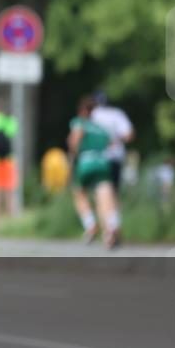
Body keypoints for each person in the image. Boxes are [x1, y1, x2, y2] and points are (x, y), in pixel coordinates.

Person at [68, 96, 120, 248]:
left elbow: (75, 139)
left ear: (82, 111)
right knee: (105, 196)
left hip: (86, 162)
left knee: (79, 192)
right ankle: (110, 227)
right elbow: (111, 143)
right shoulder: (100, 128)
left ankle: (90, 224)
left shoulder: (79, 122)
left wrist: (74, 154)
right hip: (103, 163)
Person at [90, 90, 135, 194]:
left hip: (97, 158)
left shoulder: (92, 114)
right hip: (115, 157)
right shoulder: (117, 113)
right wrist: (116, 141)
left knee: (99, 192)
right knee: (114, 192)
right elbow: (129, 135)